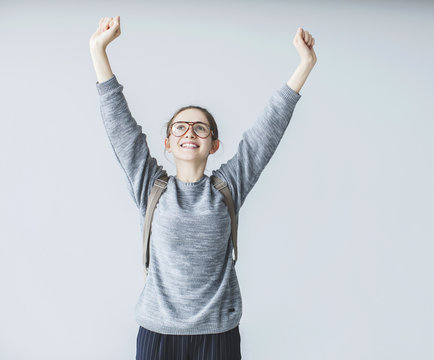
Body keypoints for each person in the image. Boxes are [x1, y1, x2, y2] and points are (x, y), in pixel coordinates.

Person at [89, 15, 316, 360]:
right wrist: (98, 51)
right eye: (180, 128)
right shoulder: (151, 187)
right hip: (157, 334)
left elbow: (264, 134)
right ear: (167, 143)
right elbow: (121, 126)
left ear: (214, 144)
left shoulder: (228, 187)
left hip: (218, 336)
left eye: (200, 128)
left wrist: (305, 65)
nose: (189, 133)